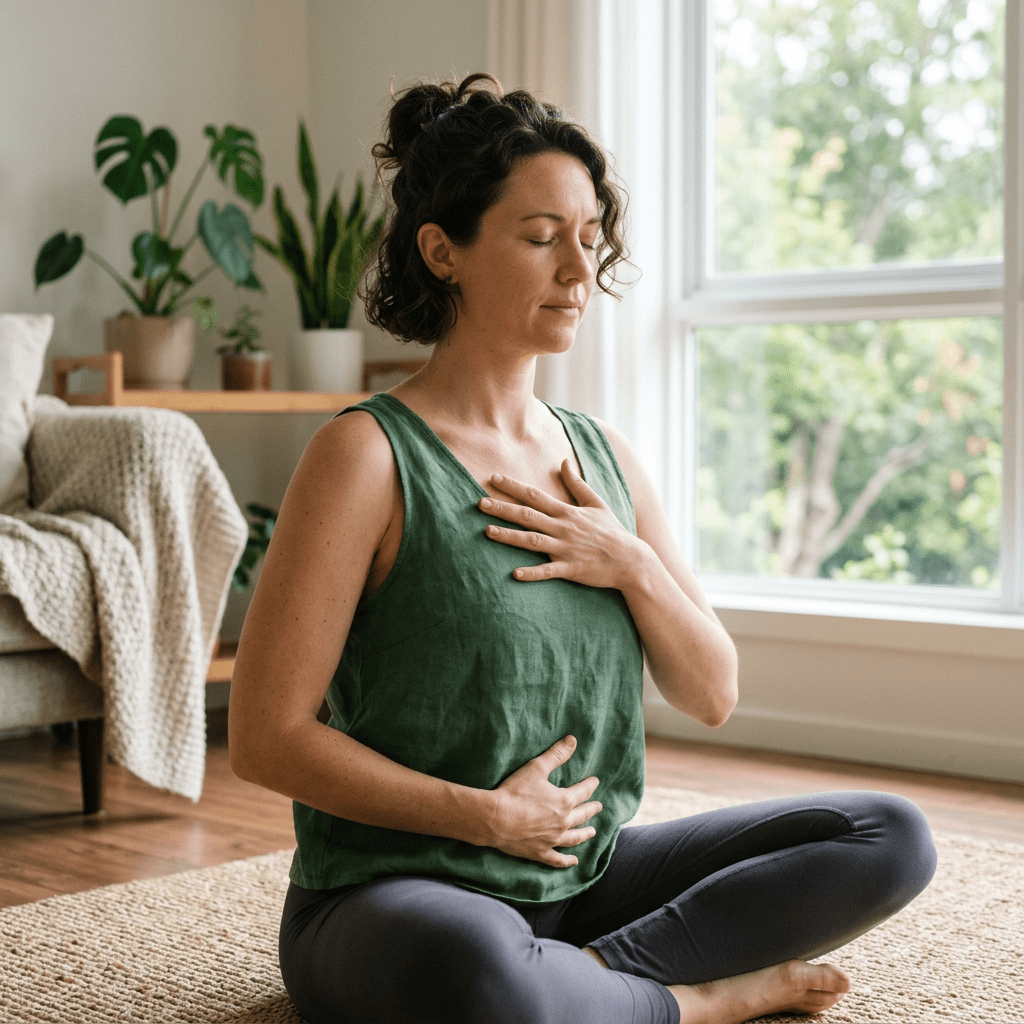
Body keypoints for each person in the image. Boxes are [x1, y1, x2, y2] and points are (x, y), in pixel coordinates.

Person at [228, 73, 937, 1024]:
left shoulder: (603, 459)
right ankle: (691, 1003)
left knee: (887, 836)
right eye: (539, 237)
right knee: (474, 966)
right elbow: (266, 739)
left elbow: (713, 692)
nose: (578, 270)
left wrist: (629, 560)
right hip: (399, 896)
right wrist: (484, 817)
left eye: (590, 240)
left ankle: (576, 990)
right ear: (444, 252)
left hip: (581, 883)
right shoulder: (363, 456)